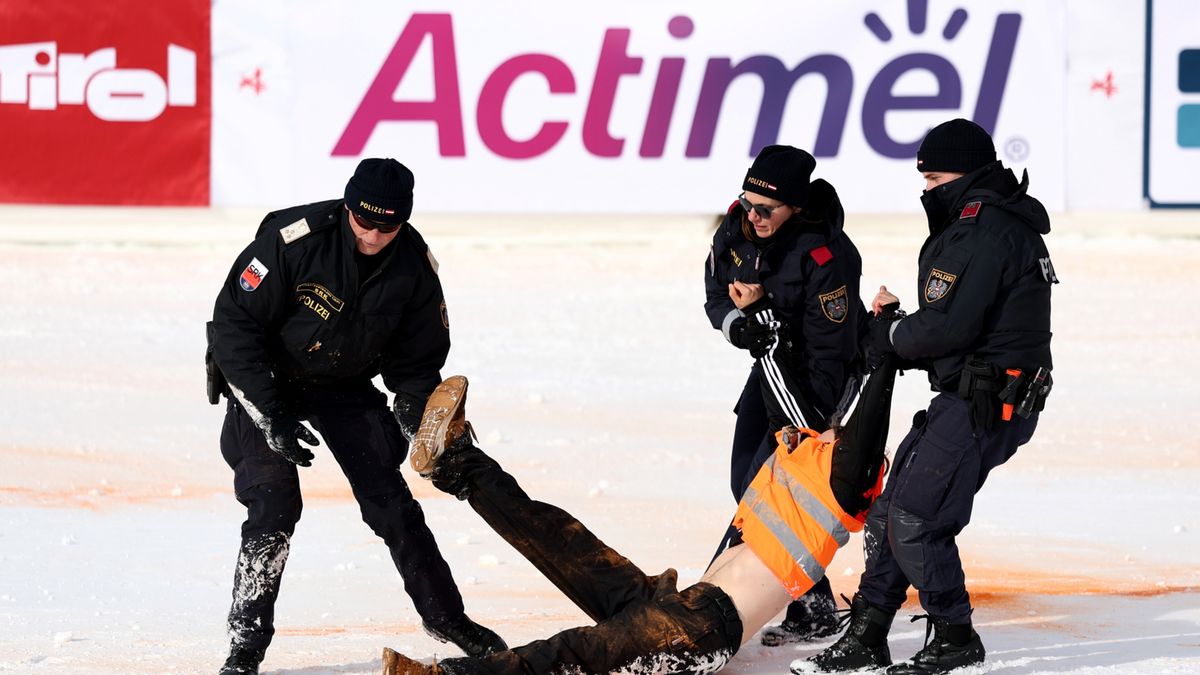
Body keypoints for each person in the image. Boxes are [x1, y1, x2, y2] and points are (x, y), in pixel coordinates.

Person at [378, 337, 900, 675]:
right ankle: (458, 463)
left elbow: (869, 420)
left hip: (698, 633)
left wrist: (888, 353)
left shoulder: (839, 487)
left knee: (571, 655)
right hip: (675, 602)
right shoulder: (804, 455)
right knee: (561, 539)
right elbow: (819, 385)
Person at [207, 158, 506, 674]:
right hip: (264, 378)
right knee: (274, 504)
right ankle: (245, 647)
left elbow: (416, 363)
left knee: (392, 504)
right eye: (362, 221)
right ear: (348, 207)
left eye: (385, 227)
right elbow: (233, 328)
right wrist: (270, 414)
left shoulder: (414, 268)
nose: (370, 235)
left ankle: (447, 618)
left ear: (403, 222)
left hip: (343, 385)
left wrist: (415, 413)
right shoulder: (292, 240)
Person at [801, 119, 1056, 675]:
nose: (925, 189)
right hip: (971, 395)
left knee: (916, 518)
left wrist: (888, 333)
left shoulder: (982, 231)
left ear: (965, 174)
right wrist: (900, 332)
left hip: (987, 403)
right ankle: (868, 634)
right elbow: (955, 327)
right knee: (890, 512)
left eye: (934, 176)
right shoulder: (988, 223)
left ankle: (956, 639)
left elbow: (946, 328)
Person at [704, 144, 866, 644]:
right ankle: (812, 601)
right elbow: (714, 295)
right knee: (743, 481)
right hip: (767, 361)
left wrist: (763, 327)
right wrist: (741, 328)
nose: (753, 216)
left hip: (818, 379)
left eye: (766, 209)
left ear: (795, 206)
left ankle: (722, 608)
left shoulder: (826, 256)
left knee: (769, 488)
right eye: (747, 202)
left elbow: (827, 359)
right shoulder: (735, 228)